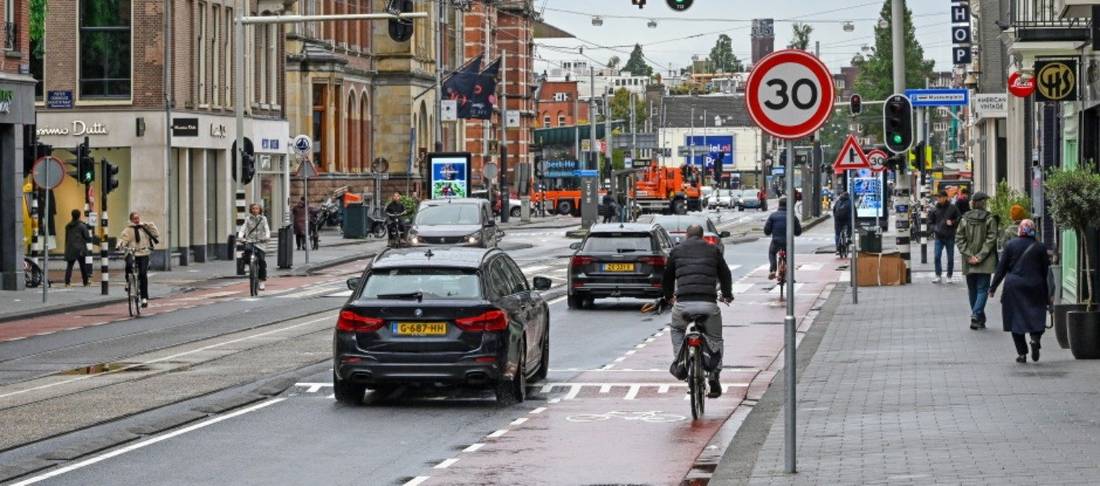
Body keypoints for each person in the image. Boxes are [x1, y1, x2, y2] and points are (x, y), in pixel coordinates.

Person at [661, 224, 734, 398]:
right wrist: (727, 294)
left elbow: (668, 277)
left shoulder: (676, 251)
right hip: (708, 304)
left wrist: (668, 296)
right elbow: (725, 274)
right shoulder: (713, 250)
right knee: (716, 337)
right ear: (702, 236)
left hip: (683, 304)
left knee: (677, 329)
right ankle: (715, 373)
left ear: (687, 235)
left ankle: (680, 361)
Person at [990, 220, 1051, 363]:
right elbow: (1046, 272)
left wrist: (993, 287)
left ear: (1020, 230)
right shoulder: (1040, 247)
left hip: (1014, 287)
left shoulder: (1010, 245)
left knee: (1015, 319)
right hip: (1036, 286)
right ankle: (1035, 339)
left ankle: (1022, 354)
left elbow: (1001, 268)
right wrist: (1048, 295)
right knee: (1037, 315)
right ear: (1033, 230)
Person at [956, 191, 998, 330]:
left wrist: (969, 255)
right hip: (985, 261)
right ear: (983, 203)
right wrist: (980, 256)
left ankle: (978, 316)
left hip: (968, 261)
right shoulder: (989, 219)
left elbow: (959, 238)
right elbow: (991, 239)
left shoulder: (964, 219)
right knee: (982, 289)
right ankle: (976, 314)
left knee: (972, 289)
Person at [117, 212, 159, 308]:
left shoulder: (144, 228)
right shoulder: (128, 230)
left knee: (143, 274)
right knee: (128, 265)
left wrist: (147, 224)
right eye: (135, 218)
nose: (137, 220)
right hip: (132, 253)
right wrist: (120, 245)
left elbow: (156, 234)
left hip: (143, 253)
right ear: (131, 220)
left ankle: (144, 298)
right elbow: (123, 239)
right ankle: (128, 282)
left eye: (138, 218)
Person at [763, 197, 802, 280]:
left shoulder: (773, 216)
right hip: (788, 242)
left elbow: (767, 231)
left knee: (772, 253)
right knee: (789, 256)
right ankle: (790, 276)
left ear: (779, 205)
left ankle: (773, 270)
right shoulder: (792, 216)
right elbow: (798, 232)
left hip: (776, 241)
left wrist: (770, 231)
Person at [928, 190, 962, 283]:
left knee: (950, 258)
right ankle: (938, 275)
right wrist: (935, 228)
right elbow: (930, 222)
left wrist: (953, 222)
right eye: (937, 197)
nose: (938, 199)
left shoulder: (953, 208)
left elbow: (959, 218)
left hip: (950, 236)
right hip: (939, 236)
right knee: (937, 256)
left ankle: (949, 276)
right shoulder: (934, 209)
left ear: (945, 197)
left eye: (940, 197)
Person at [237, 203, 271, 290]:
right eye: (253, 208)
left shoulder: (263, 219)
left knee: (262, 262)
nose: (255, 210)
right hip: (250, 241)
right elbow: (243, 228)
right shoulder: (248, 219)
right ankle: (249, 266)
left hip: (260, 242)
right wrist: (241, 237)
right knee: (247, 252)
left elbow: (266, 229)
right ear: (251, 210)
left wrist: (267, 237)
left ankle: (262, 281)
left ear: (260, 210)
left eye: (257, 209)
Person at [64, 209, 93, 287]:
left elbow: (67, 238)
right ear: (79, 216)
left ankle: (67, 282)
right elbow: (87, 237)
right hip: (80, 249)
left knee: (69, 266)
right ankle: (85, 282)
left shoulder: (68, 226)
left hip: (70, 249)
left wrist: (67, 248)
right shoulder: (82, 226)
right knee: (83, 266)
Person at [832, 191, 852, 256]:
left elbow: (834, 210)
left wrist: (835, 217)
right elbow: (854, 212)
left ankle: (837, 248)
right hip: (847, 220)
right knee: (850, 227)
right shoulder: (850, 202)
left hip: (838, 220)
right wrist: (856, 220)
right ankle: (848, 238)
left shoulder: (838, 201)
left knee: (837, 234)